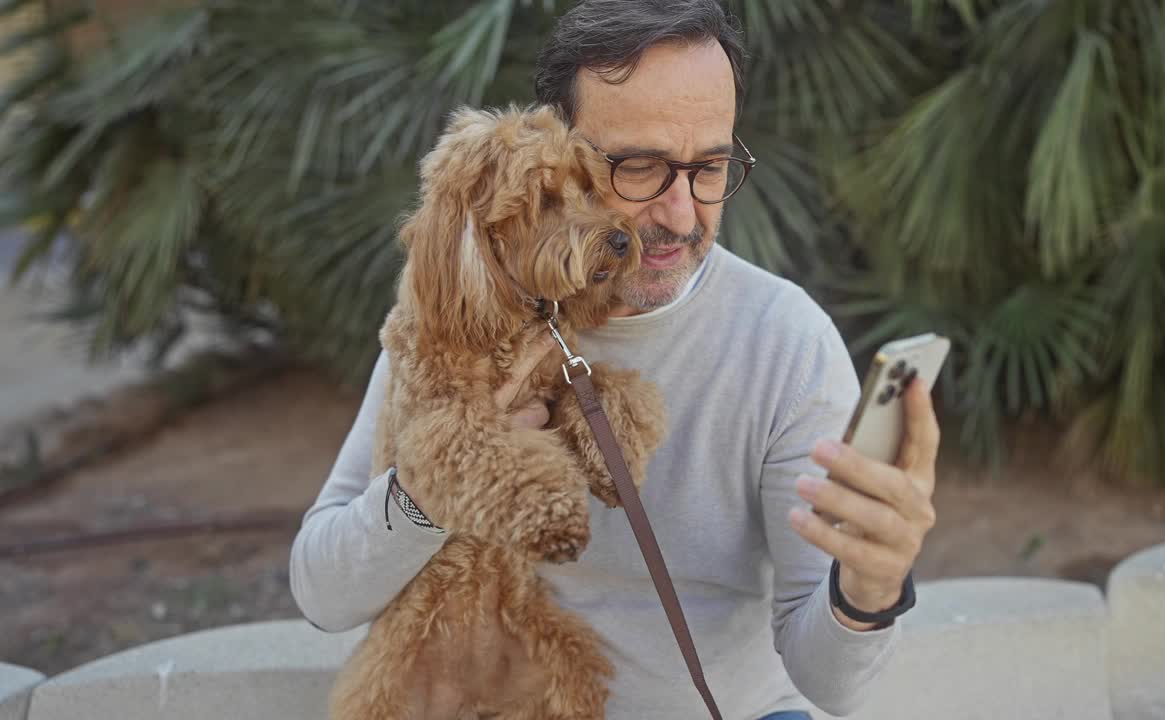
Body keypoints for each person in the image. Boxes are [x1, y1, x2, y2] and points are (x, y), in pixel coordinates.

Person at [289, 1, 940, 717]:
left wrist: (867, 592)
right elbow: (321, 594)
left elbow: (833, 685)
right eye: (638, 168)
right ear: (555, 151)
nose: (682, 214)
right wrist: (435, 484)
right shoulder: (465, 324)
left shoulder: (785, 342)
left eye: (710, 168)